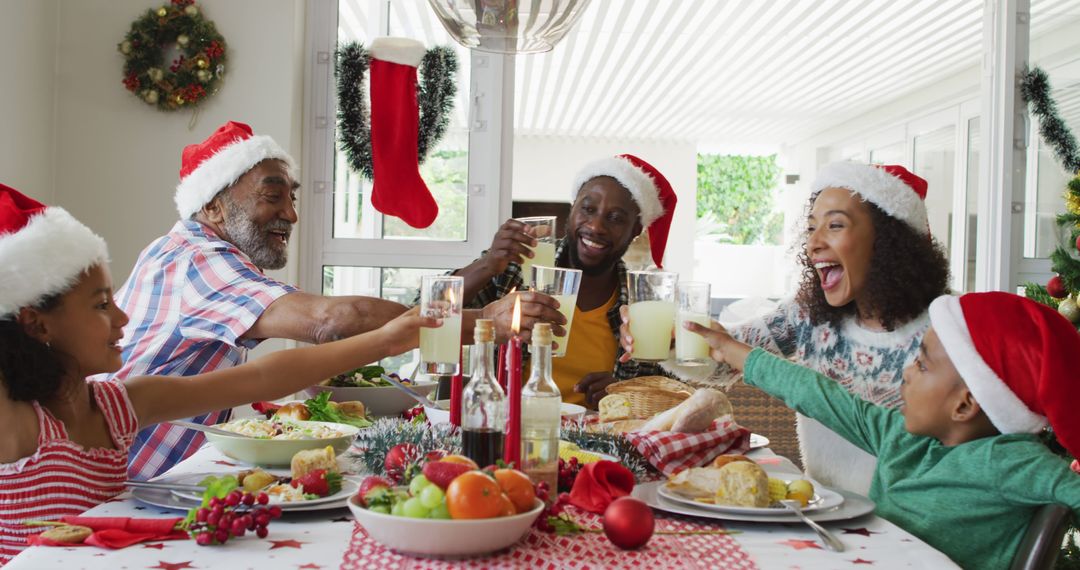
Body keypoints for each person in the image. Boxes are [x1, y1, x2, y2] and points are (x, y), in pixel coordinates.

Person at [0, 183, 436, 563]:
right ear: (36, 323)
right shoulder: (17, 424)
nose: (122, 316)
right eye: (100, 305)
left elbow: (265, 378)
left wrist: (389, 340)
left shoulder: (119, 405)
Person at [107, 121, 414, 479]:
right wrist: (470, 323)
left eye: (292, 198)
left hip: (135, 478)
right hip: (115, 487)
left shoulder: (178, 248)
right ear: (213, 206)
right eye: (273, 197)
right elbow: (331, 321)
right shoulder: (199, 260)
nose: (291, 214)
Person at [686, 291, 1080, 570]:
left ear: (964, 404)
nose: (907, 372)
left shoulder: (1011, 461)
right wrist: (728, 349)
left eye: (922, 365)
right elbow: (817, 393)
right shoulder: (903, 438)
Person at [621, 161, 950, 494]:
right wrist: (671, 341)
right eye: (811, 228)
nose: (813, 243)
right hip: (826, 507)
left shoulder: (946, 333)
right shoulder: (809, 315)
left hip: (907, 522)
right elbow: (727, 357)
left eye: (835, 225)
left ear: (889, 241)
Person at [451, 154, 679, 407]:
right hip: (506, 430)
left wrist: (623, 394)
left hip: (596, 442)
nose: (596, 226)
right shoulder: (520, 265)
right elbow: (429, 313)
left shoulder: (643, 303)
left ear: (635, 230)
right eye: (588, 209)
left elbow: (666, 393)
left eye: (615, 218)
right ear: (572, 209)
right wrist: (487, 264)